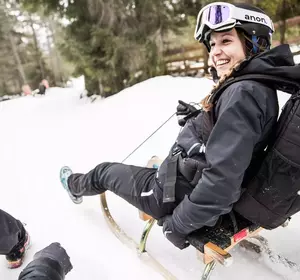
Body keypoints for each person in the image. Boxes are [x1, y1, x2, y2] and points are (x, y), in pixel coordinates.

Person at [59, 2, 300, 250]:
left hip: (168, 194)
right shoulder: (256, 86)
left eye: (226, 41)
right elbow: (237, 143)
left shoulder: (243, 93)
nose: (215, 51)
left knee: (103, 171)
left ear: (253, 43)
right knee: (154, 163)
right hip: (184, 176)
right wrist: (201, 119)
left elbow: (221, 182)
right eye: (213, 44)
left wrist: (179, 224)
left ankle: (74, 186)